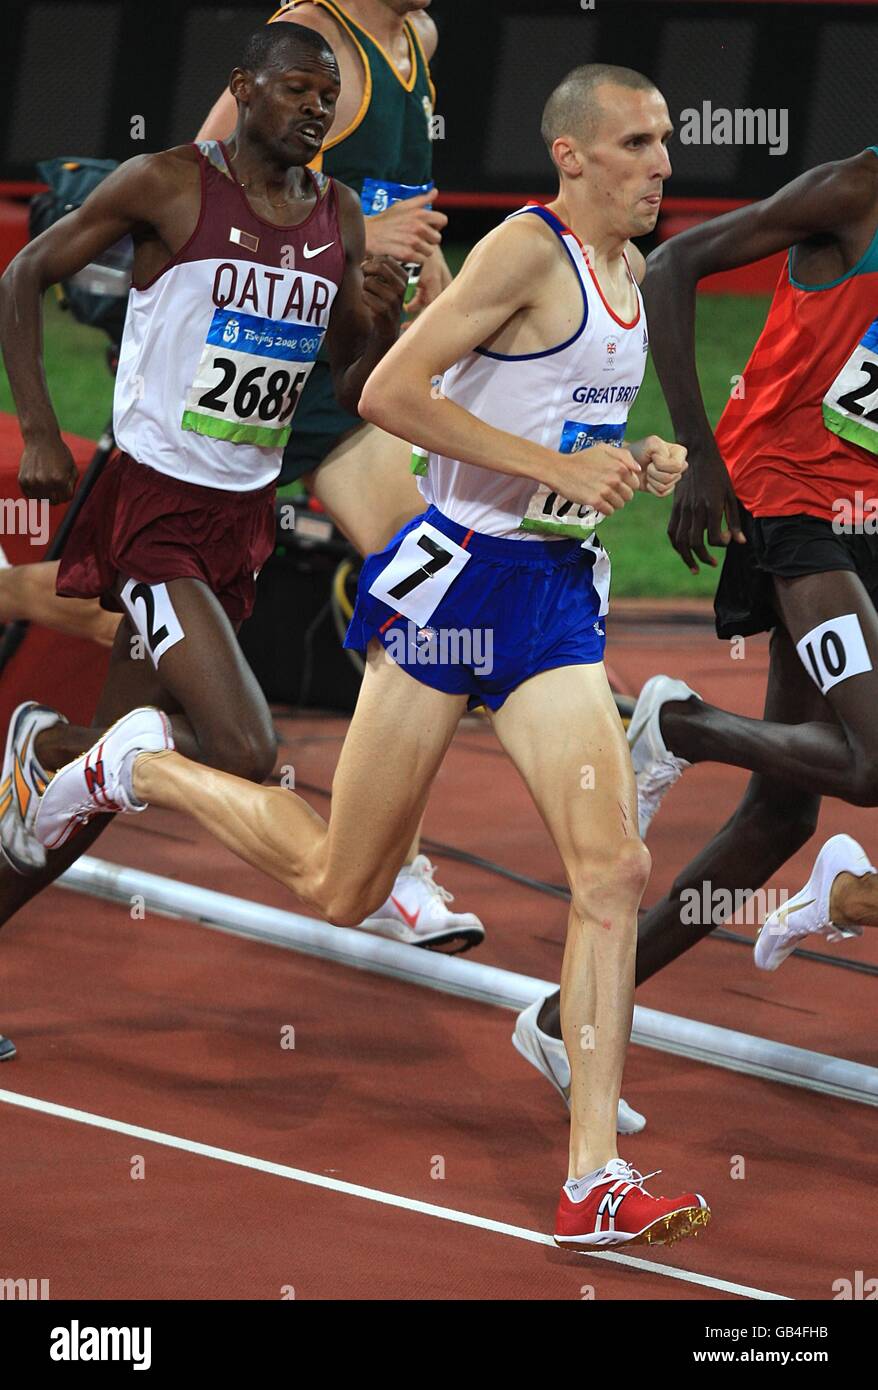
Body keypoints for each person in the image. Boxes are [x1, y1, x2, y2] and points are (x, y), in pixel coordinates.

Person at [33, 65, 711, 1249]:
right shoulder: (525, 251)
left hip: (547, 599)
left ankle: (588, 1178)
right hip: (451, 590)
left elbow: (551, 412)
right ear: (572, 156)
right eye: (640, 143)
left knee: (612, 868)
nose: (663, 163)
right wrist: (554, 473)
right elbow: (388, 390)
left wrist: (630, 454)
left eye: (664, 143)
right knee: (343, 885)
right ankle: (142, 765)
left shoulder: (629, 272)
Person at [0, 0, 483, 952]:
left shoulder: (335, 212)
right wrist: (43, 433)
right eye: (296, 90)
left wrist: (376, 314)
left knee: (102, 770)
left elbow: (348, 377)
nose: (314, 110)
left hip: (241, 515)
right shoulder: (169, 185)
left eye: (327, 98)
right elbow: (21, 276)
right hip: (151, 515)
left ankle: (50, 754)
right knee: (243, 749)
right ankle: (55, 748)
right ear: (242, 90)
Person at [523, 143, 878, 1069]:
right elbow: (676, 262)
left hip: (867, 516)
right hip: (792, 500)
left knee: (780, 821)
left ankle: (567, 1022)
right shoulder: (857, 190)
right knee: (876, 761)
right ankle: (679, 723)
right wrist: (701, 453)